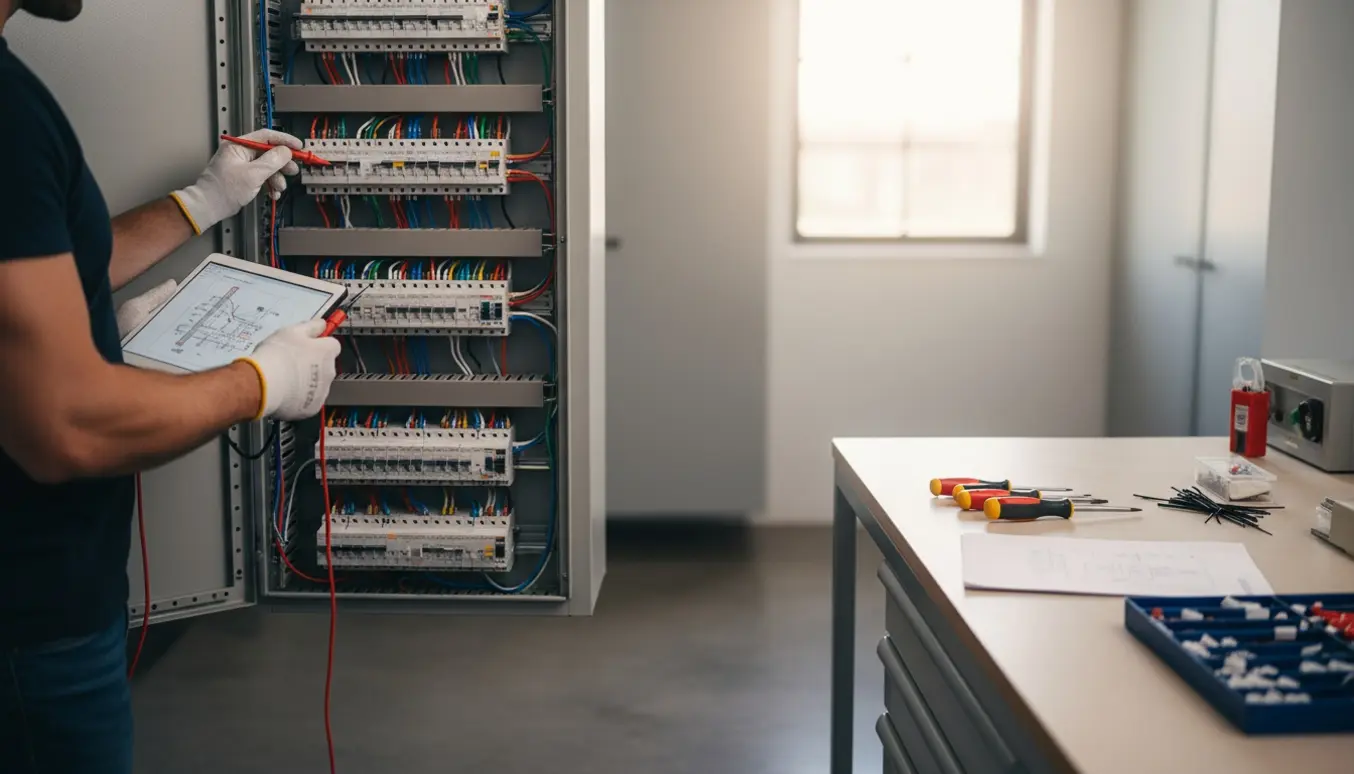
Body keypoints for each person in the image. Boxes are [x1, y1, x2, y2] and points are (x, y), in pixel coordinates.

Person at [0, 1, 341, 771]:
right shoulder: (9, 117)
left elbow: (43, 263)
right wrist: (261, 380)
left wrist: (202, 202)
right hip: (29, 625)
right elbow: (69, 429)